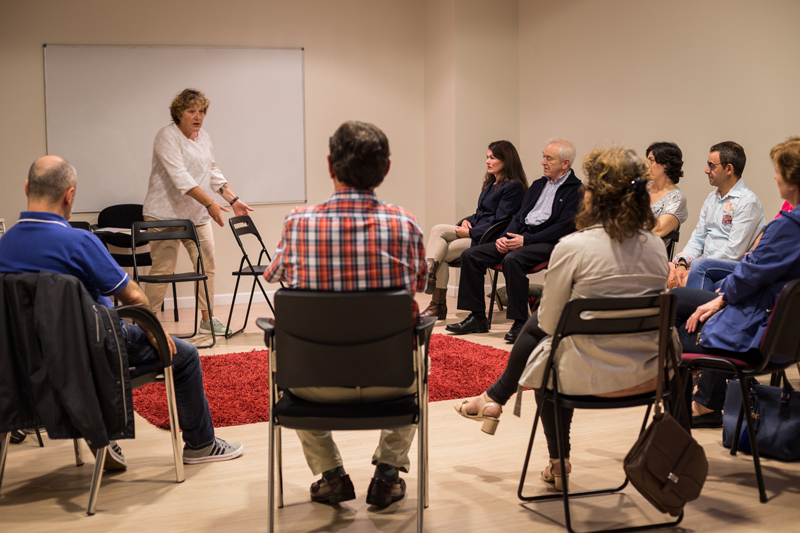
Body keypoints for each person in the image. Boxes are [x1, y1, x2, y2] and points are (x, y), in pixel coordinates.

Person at [454, 146, 676, 490]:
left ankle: (555, 457)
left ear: (593, 195)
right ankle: (497, 401)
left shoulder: (575, 247)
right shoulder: (654, 246)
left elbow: (548, 322)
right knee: (550, 341)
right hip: (649, 373)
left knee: (546, 353)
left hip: (591, 376)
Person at [0, 156, 244, 468]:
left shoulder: (5, 245)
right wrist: (155, 334)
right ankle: (201, 444)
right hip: (91, 354)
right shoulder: (79, 242)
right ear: (69, 195)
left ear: (26, 189)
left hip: (25, 364)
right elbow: (134, 297)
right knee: (185, 357)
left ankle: (98, 431)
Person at [263, 121, 426, 508]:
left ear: (329, 166)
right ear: (386, 169)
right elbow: (417, 282)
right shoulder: (405, 223)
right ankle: (387, 475)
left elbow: (274, 276)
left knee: (290, 353)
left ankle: (331, 475)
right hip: (393, 380)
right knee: (420, 352)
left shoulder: (298, 222)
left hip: (311, 384)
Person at [672, 137, 800, 428]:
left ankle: (687, 411)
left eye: (778, 171)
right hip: (782, 330)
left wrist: (721, 299)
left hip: (759, 331)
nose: (775, 176)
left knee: (675, 321)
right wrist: (683, 261)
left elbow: (750, 272)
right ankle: (705, 400)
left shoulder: (788, 226)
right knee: (680, 301)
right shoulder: (789, 224)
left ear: (792, 180)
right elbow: (754, 271)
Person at [446, 138, 583, 343]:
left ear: (565, 163)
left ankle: (520, 322)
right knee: (471, 255)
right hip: (520, 236)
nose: (543, 162)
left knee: (513, 259)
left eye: (549, 158)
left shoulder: (576, 189)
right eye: (543, 157)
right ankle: (477, 317)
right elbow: (518, 217)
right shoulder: (538, 185)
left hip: (547, 242)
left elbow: (564, 226)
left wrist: (526, 240)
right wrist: (504, 238)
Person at [142, 88, 253, 336]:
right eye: (191, 111)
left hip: (197, 216)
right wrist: (210, 204)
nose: (198, 116)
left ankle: (207, 320)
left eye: (201, 111)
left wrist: (233, 199)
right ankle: (146, 325)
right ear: (178, 113)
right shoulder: (166, 136)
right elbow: (181, 177)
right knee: (163, 269)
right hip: (164, 215)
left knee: (207, 267)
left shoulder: (203, 137)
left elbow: (212, 172)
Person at [421, 140, 527, 320]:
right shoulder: (491, 184)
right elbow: (480, 214)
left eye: (492, 158)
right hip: (477, 231)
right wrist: (465, 223)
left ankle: (437, 305)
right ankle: (430, 275)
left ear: (506, 160)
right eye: (487, 157)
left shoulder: (513, 187)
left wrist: (471, 233)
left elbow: (501, 221)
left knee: (443, 254)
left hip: (488, 238)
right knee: (438, 229)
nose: (487, 161)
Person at [668, 141, 765, 290]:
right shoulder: (711, 198)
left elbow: (733, 253)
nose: (706, 170)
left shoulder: (747, 202)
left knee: (691, 276)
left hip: (729, 269)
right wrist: (683, 262)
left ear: (728, 169)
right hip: (705, 267)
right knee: (667, 269)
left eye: (711, 165)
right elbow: (698, 238)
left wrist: (693, 267)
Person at [645, 141, 689, 237]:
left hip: (650, 248)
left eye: (651, 160)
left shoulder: (677, 198)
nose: (647, 165)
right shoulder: (642, 187)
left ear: (666, 164)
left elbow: (657, 231)